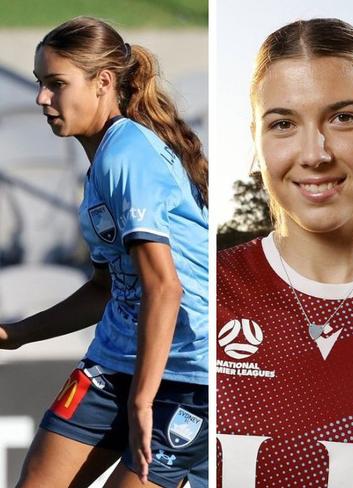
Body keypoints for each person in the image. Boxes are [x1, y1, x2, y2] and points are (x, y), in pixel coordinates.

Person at [216, 18, 353, 487]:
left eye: (343, 118)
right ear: (255, 138)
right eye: (283, 124)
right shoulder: (207, 292)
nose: (314, 153)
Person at [0, 17, 208, 488]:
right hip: (113, 364)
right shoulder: (102, 160)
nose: (41, 99)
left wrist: (142, 401)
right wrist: (14, 334)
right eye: (39, 84)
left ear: (104, 83)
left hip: (186, 380)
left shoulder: (126, 154)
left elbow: (165, 287)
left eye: (56, 84)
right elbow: (106, 289)